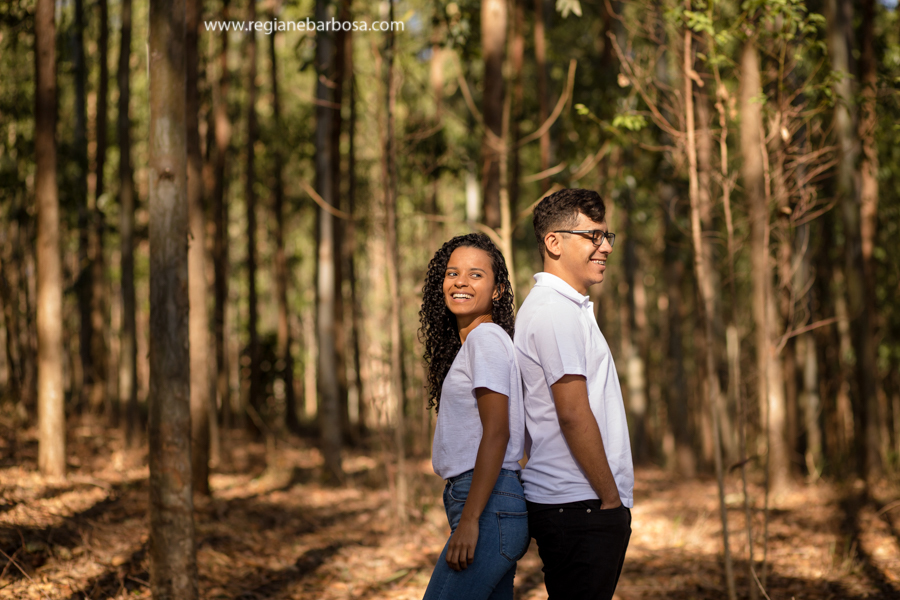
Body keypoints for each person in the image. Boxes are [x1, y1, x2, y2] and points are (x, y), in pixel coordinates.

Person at [514, 188, 634, 600]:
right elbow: (572, 413)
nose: (604, 248)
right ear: (554, 242)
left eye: (606, 237)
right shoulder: (553, 311)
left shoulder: (566, 308)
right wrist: (611, 499)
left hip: (581, 503)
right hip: (579, 503)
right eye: (592, 236)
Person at [420, 233, 529, 600]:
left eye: (476, 274)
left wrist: (470, 519)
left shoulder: (485, 339)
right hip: (491, 502)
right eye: (452, 273)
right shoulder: (479, 344)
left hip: (487, 504)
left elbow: (497, 433)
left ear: (498, 290)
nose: (461, 281)